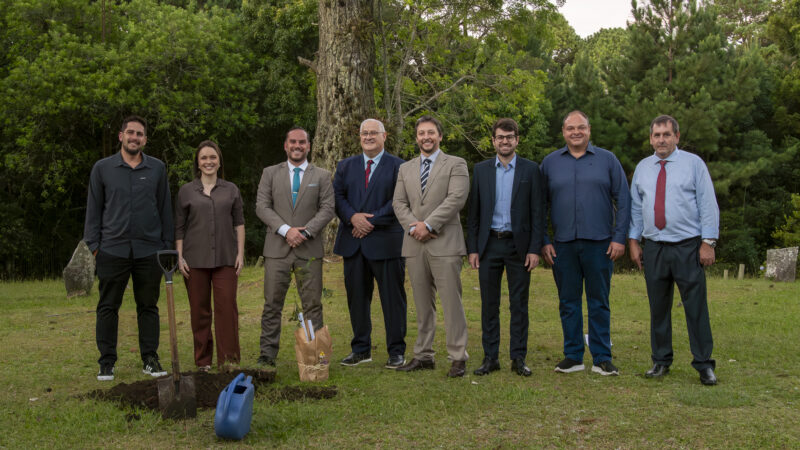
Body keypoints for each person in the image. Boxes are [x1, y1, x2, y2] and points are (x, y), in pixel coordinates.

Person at [628, 115, 719, 386]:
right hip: (654, 247)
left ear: (677, 137)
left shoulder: (693, 164)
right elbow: (635, 208)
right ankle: (660, 360)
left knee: (695, 307)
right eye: (656, 135)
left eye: (667, 134)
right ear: (650, 139)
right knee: (658, 308)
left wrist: (708, 242)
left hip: (687, 247)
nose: (661, 140)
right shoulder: (643, 168)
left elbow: (707, 203)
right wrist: (633, 241)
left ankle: (704, 364)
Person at [541, 110, 630, 377]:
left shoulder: (608, 160)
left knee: (599, 301)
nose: (576, 132)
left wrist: (619, 238)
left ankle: (602, 356)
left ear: (589, 130)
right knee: (568, 301)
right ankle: (573, 355)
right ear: (563, 132)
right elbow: (539, 206)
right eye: (570, 128)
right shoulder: (550, 163)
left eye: (581, 127)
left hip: (600, 244)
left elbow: (624, 201)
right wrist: (543, 241)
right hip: (563, 245)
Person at [84, 115, 173, 381]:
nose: (135, 137)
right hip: (112, 249)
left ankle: (150, 358)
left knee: (148, 306)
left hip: (149, 251)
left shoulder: (157, 169)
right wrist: (94, 246)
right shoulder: (102, 168)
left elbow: (165, 208)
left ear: (145, 140)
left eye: (140, 134)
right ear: (121, 135)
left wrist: (166, 246)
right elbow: (94, 210)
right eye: (130, 132)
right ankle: (107, 362)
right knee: (108, 306)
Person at [392, 115, 470, 378]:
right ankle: (424, 355)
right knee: (422, 304)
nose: (426, 137)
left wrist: (430, 225)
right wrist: (415, 226)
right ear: (416, 138)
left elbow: (456, 198)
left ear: (440, 136)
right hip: (414, 244)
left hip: (444, 242)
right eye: (421, 133)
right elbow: (398, 203)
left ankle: (458, 356)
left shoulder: (456, 164)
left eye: (431, 133)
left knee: (451, 303)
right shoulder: (405, 168)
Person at [466, 118, 544, 377]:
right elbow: (473, 213)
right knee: (489, 304)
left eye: (509, 137)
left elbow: (538, 212)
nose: (505, 141)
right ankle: (490, 358)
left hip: (518, 247)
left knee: (519, 305)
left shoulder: (531, 170)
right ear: (493, 141)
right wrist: (473, 248)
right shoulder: (482, 170)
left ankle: (518, 358)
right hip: (489, 246)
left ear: (517, 140)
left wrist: (535, 249)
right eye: (500, 137)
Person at [255, 127, 335, 367]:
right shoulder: (270, 173)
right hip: (277, 249)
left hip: (309, 250)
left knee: (312, 305)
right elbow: (261, 206)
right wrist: (286, 230)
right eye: (293, 142)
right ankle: (267, 356)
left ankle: (314, 356)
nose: (297, 146)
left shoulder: (321, 175)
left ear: (309, 146)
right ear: (285, 145)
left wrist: (306, 231)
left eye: (302, 142)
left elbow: (328, 208)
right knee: (272, 305)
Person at [334, 119, 408, 369]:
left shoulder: (399, 166)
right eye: (364, 133)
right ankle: (360, 349)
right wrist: (352, 217)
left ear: (384, 136)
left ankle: (396, 351)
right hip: (353, 243)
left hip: (386, 242)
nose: (368, 137)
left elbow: (400, 200)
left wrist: (370, 221)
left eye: (373, 133)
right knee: (357, 298)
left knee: (392, 299)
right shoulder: (345, 166)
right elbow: (337, 196)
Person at [175, 140, 245, 372]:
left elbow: (239, 224)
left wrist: (240, 254)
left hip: (226, 258)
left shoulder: (231, 190)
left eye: (212, 157)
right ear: (198, 161)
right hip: (194, 260)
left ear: (219, 161)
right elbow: (180, 227)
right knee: (199, 311)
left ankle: (229, 360)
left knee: (227, 309)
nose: (208, 162)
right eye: (204, 158)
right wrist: (180, 256)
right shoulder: (186, 191)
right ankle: (203, 361)